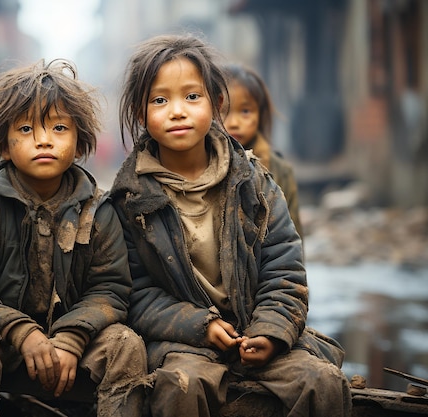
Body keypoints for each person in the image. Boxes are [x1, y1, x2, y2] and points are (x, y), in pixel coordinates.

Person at [110, 33, 351, 417]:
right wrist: (199, 326)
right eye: (160, 100)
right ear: (141, 114)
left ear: (215, 103)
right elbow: (133, 292)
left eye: (192, 96)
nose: (177, 110)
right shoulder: (129, 201)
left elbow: (285, 271)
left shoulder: (254, 184)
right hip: (183, 342)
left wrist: (271, 331)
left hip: (257, 334)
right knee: (180, 386)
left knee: (321, 382)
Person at [0, 59, 147, 417]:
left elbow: (110, 289)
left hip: (75, 337)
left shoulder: (99, 209)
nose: (44, 139)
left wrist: (71, 337)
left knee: (126, 346)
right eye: (27, 128)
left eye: (59, 127)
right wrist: (21, 332)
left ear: (80, 144)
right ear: (3, 145)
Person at [222, 63, 303, 237]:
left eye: (245, 111)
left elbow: (292, 237)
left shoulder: (279, 169)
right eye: (223, 111)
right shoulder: (198, 165)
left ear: (260, 114)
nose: (234, 122)